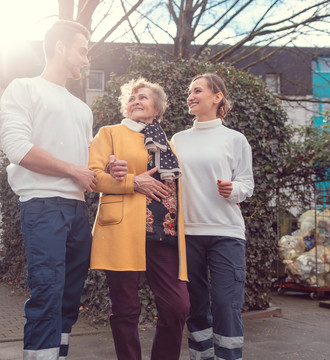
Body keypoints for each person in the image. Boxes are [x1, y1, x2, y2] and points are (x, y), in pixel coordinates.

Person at [0, 20, 97, 360]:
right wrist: (73, 170)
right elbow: (18, 149)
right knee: (47, 292)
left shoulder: (83, 109)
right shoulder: (23, 88)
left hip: (78, 211)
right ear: (60, 47)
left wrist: (103, 169)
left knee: (69, 297)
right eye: (82, 51)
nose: (86, 60)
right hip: (42, 206)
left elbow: (87, 165)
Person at [88, 78, 190, 360]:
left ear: (156, 109)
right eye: (132, 97)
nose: (135, 101)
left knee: (177, 306)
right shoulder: (109, 133)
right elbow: (93, 177)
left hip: (164, 234)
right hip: (122, 230)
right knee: (125, 308)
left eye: (143, 97)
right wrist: (132, 182)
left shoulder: (168, 144)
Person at [171, 73, 254, 360]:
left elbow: (247, 184)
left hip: (226, 233)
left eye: (197, 91)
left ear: (217, 97)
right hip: (187, 233)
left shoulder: (235, 139)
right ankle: (201, 357)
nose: (190, 96)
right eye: (189, 92)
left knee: (224, 302)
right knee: (194, 305)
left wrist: (233, 189)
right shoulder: (177, 140)